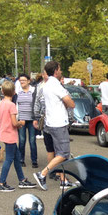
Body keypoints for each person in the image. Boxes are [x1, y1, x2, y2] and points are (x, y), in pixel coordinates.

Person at [33, 60, 75, 190]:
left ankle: (63, 180)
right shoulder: (56, 85)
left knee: (58, 153)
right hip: (58, 123)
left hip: (50, 122)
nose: (61, 71)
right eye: (60, 69)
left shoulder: (46, 85)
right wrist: (67, 102)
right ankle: (42, 174)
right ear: (56, 70)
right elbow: (71, 103)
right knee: (63, 153)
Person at [0, 80, 36, 192]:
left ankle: (22, 179)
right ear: (14, 92)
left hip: (4, 133)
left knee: (17, 157)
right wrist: (20, 123)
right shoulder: (12, 105)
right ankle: (1, 182)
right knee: (9, 159)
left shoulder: (1, 105)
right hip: (11, 135)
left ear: (2, 91)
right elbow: (14, 123)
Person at [14, 74, 38, 169]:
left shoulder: (33, 91)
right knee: (22, 140)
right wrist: (17, 119)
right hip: (22, 119)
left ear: (29, 81)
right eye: (20, 81)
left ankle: (34, 161)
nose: (22, 82)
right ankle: (21, 160)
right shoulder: (18, 92)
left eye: (23, 80)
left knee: (32, 140)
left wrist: (36, 118)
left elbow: (36, 105)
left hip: (31, 119)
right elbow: (15, 105)